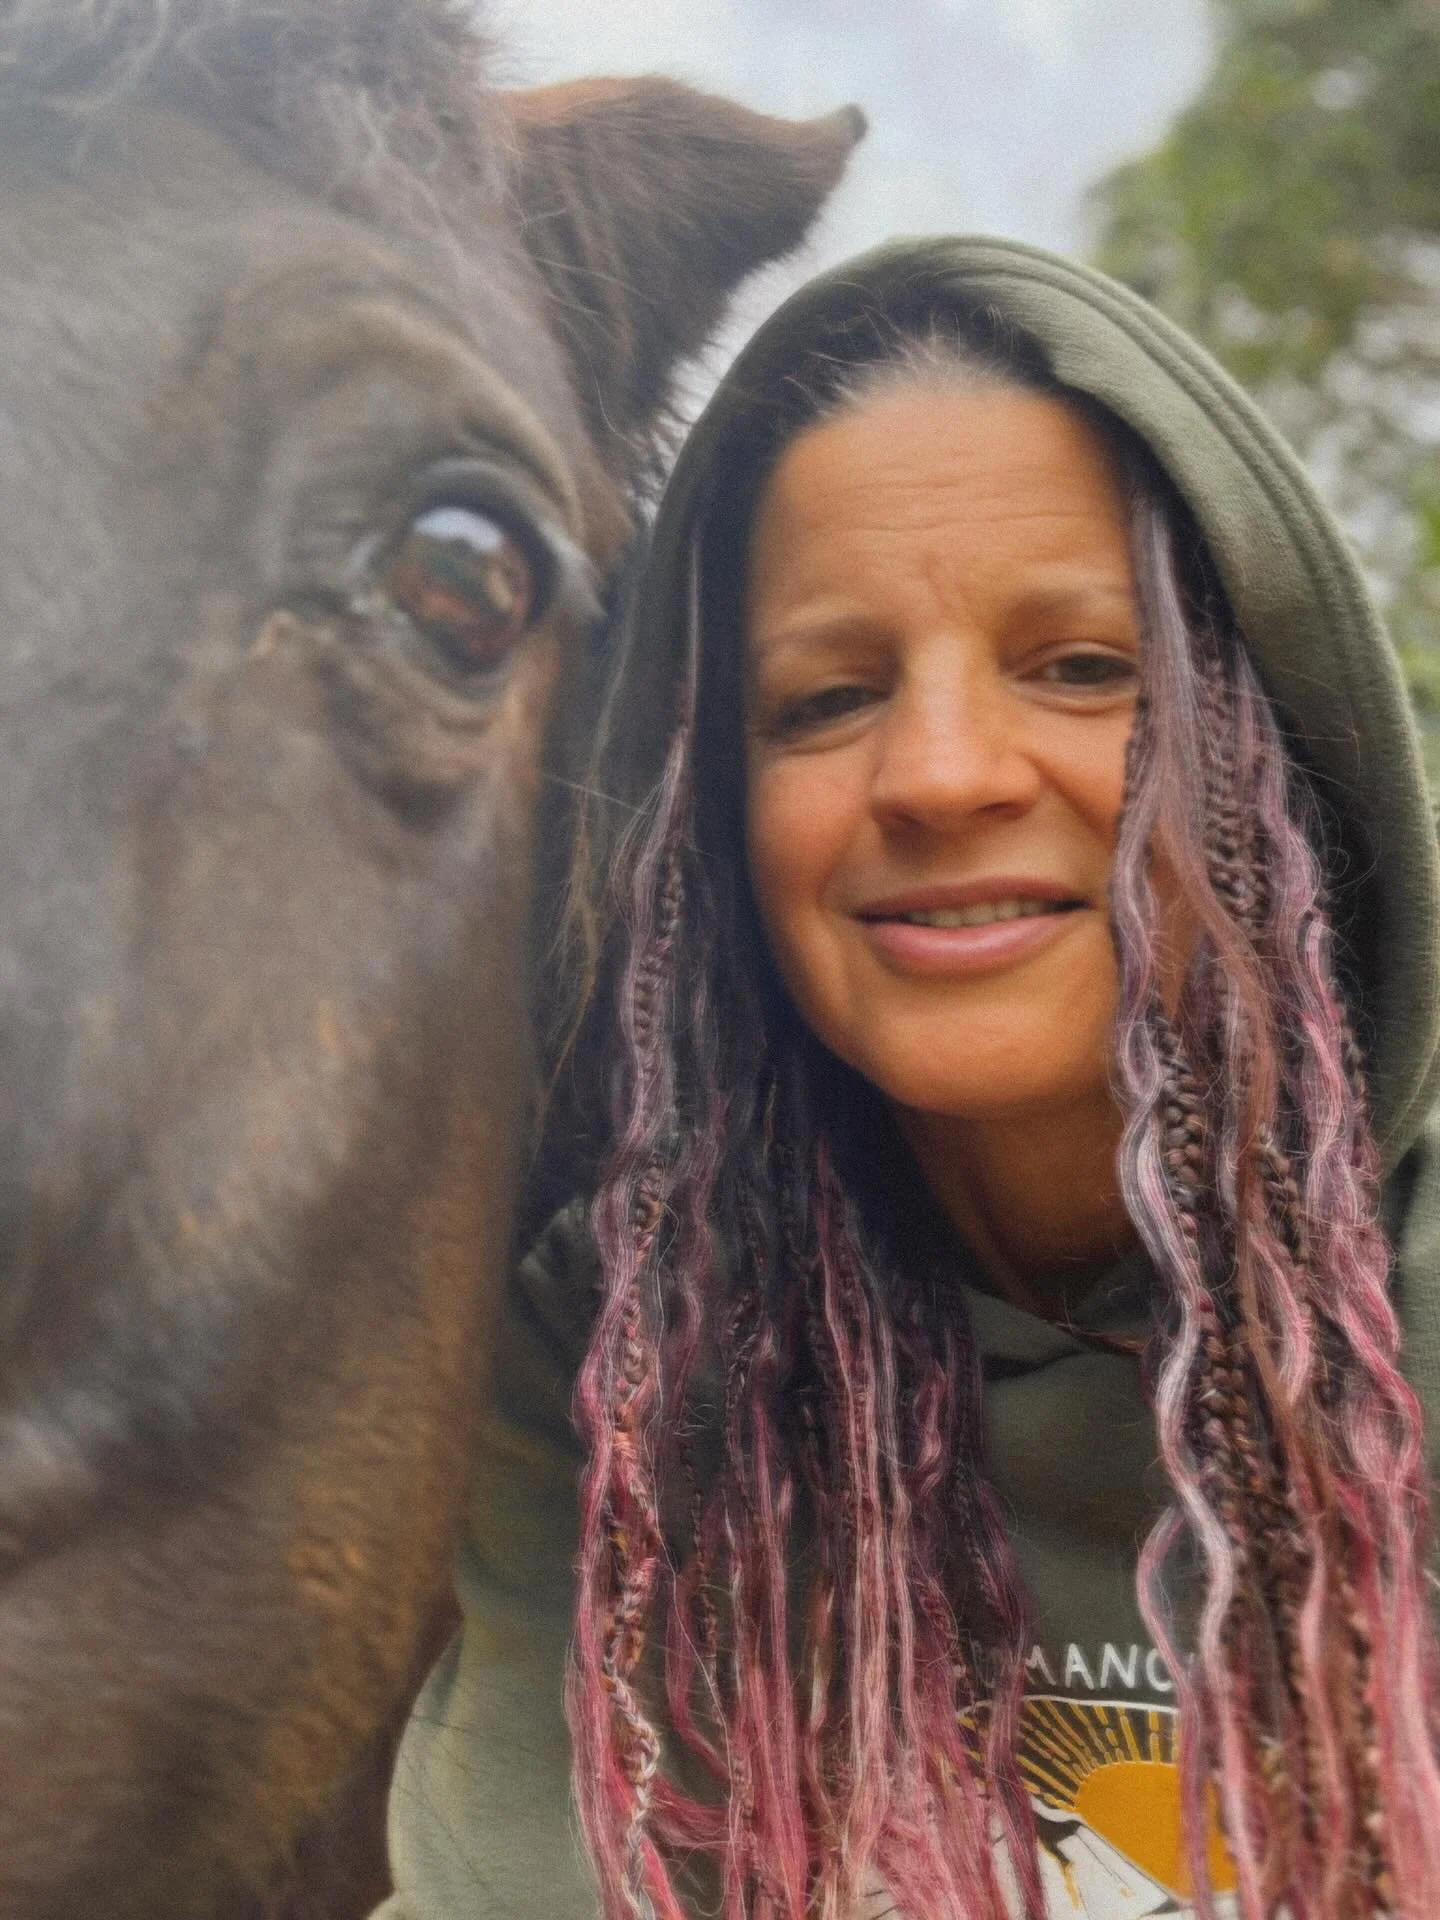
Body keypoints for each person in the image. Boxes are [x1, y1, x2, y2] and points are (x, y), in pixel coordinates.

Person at [376, 237, 1440, 1920]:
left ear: (1280, 749)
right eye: (827, 697)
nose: (940, 775)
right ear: (714, 832)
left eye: (1083, 666)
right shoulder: (623, 1355)